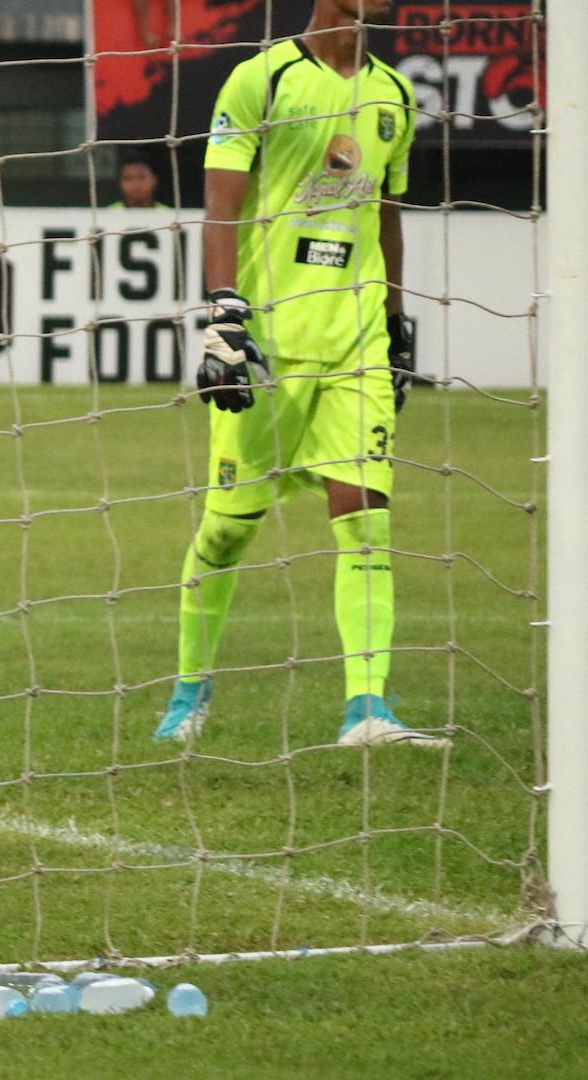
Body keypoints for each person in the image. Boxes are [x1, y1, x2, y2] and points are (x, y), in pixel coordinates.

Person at [155, 0, 440, 749]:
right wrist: (224, 315)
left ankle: (367, 709)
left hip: (356, 338)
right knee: (227, 531)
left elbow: (385, 214)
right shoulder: (263, 79)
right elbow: (221, 209)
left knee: (365, 516)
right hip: (272, 343)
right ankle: (190, 690)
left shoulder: (395, 93)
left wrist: (396, 325)